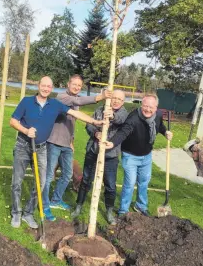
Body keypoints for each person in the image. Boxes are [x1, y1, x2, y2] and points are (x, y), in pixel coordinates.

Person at [10, 76, 103, 229]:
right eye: (43, 85)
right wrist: (26, 130)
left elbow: (75, 113)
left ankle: (28, 213)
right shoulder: (26, 101)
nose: (46, 88)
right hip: (22, 146)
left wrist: (94, 122)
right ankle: (16, 213)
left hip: (40, 148)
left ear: (51, 88)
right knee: (17, 182)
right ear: (38, 85)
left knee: (41, 182)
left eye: (49, 86)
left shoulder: (55, 104)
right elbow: (13, 121)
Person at [42, 74, 112, 220]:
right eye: (74, 85)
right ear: (68, 84)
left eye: (79, 86)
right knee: (49, 175)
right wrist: (99, 97)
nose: (76, 87)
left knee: (67, 174)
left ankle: (56, 200)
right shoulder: (61, 97)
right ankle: (44, 204)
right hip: (54, 142)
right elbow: (77, 100)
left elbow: (72, 122)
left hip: (67, 144)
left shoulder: (76, 101)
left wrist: (72, 142)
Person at [106, 94, 173, 217]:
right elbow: (123, 132)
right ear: (141, 105)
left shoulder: (157, 115)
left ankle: (140, 205)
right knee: (130, 183)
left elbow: (160, 125)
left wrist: (165, 132)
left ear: (156, 107)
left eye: (151, 107)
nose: (148, 109)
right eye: (145, 106)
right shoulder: (133, 118)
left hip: (146, 155)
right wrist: (112, 143)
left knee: (144, 182)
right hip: (130, 155)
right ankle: (123, 210)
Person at [72, 89, 128, 225]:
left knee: (110, 185)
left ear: (123, 102)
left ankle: (109, 211)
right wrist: (96, 133)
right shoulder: (99, 110)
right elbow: (88, 125)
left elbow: (121, 121)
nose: (115, 101)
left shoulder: (124, 113)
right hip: (93, 151)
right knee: (86, 181)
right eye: (114, 98)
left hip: (111, 155)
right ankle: (78, 206)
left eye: (119, 99)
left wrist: (112, 116)